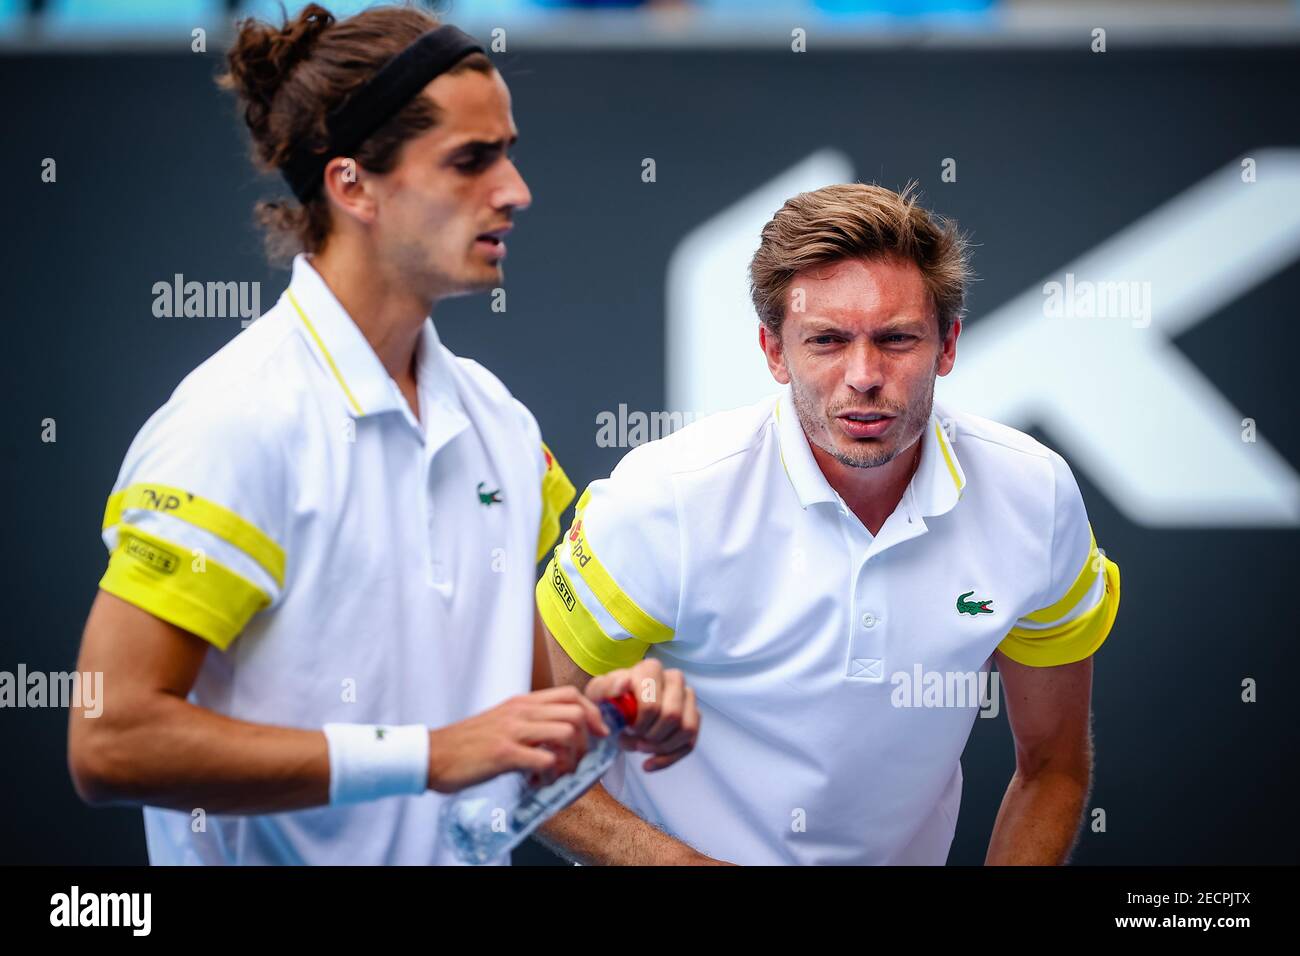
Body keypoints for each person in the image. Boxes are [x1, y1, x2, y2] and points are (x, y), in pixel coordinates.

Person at [67, 2, 696, 866]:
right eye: (471, 160)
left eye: (507, 153)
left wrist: (607, 714)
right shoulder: (232, 424)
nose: (515, 190)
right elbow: (109, 743)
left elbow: (512, 732)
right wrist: (433, 754)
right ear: (351, 183)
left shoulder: (500, 426)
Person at [537, 182, 1121, 865]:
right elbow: (521, 754)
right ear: (774, 351)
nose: (864, 376)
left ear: (948, 344)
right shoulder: (664, 496)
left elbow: (1053, 766)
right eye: (827, 340)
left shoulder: (1034, 494)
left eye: (897, 339)